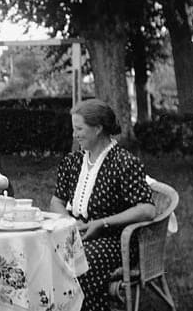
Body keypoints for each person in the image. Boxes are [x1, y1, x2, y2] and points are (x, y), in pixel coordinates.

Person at [49, 99, 156, 311]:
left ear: (98, 128)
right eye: (74, 129)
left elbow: (147, 209)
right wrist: (71, 223)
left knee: (80, 261)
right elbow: (57, 201)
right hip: (77, 234)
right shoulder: (73, 161)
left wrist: (102, 223)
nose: (74, 134)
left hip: (115, 240)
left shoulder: (123, 163)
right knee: (45, 254)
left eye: (79, 129)